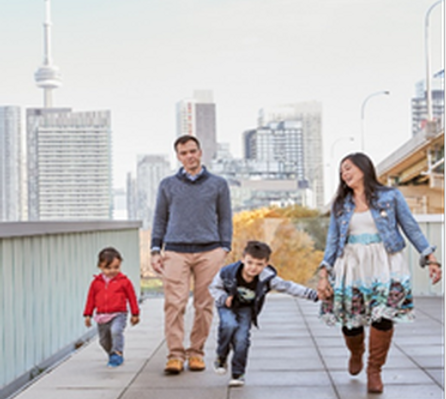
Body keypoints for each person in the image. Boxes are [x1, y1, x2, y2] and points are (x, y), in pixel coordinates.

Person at [317, 152, 442, 394]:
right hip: (351, 264)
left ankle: (375, 369)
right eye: (342, 170)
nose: (345, 173)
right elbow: (333, 240)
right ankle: (356, 352)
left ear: (364, 169)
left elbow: (410, 227)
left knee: (383, 316)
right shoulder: (341, 204)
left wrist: (430, 258)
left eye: (349, 168)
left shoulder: (390, 196)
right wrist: (324, 272)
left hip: (386, 262)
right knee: (351, 322)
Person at [150, 135, 232, 374]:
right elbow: (160, 219)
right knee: (174, 305)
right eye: (184, 153)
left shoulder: (218, 184)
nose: (189, 156)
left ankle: (196, 353)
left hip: (210, 251)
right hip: (175, 251)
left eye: (193, 151)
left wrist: (224, 247)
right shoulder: (167, 185)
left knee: (205, 305)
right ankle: (175, 355)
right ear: (178, 157)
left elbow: (225, 217)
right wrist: (155, 249)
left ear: (200, 152)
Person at [209, 241, 318, 387]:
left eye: (259, 264)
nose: (253, 268)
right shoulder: (227, 272)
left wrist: (312, 294)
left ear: (266, 263)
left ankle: (238, 372)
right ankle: (221, 356)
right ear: (242, 259)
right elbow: (214, 287)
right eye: (250, 263)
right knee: (229, 325)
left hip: (246, 308)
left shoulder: (267, 278)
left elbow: (287, 287)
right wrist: (223, 298)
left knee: (241, 338)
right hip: (227, 304)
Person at [84, 247, 140, 367]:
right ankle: (112, 354)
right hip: (102, 315)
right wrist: (88, 314)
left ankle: (118, 353)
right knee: (103, 341)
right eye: (108, 268)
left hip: (118, 314)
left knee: (116, 331)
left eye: (116, 267)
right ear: (100, 266)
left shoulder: (124, 281)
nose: (112, 271)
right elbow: (91, 299)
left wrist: (135, 314)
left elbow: (132, 298)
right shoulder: (96, 283)